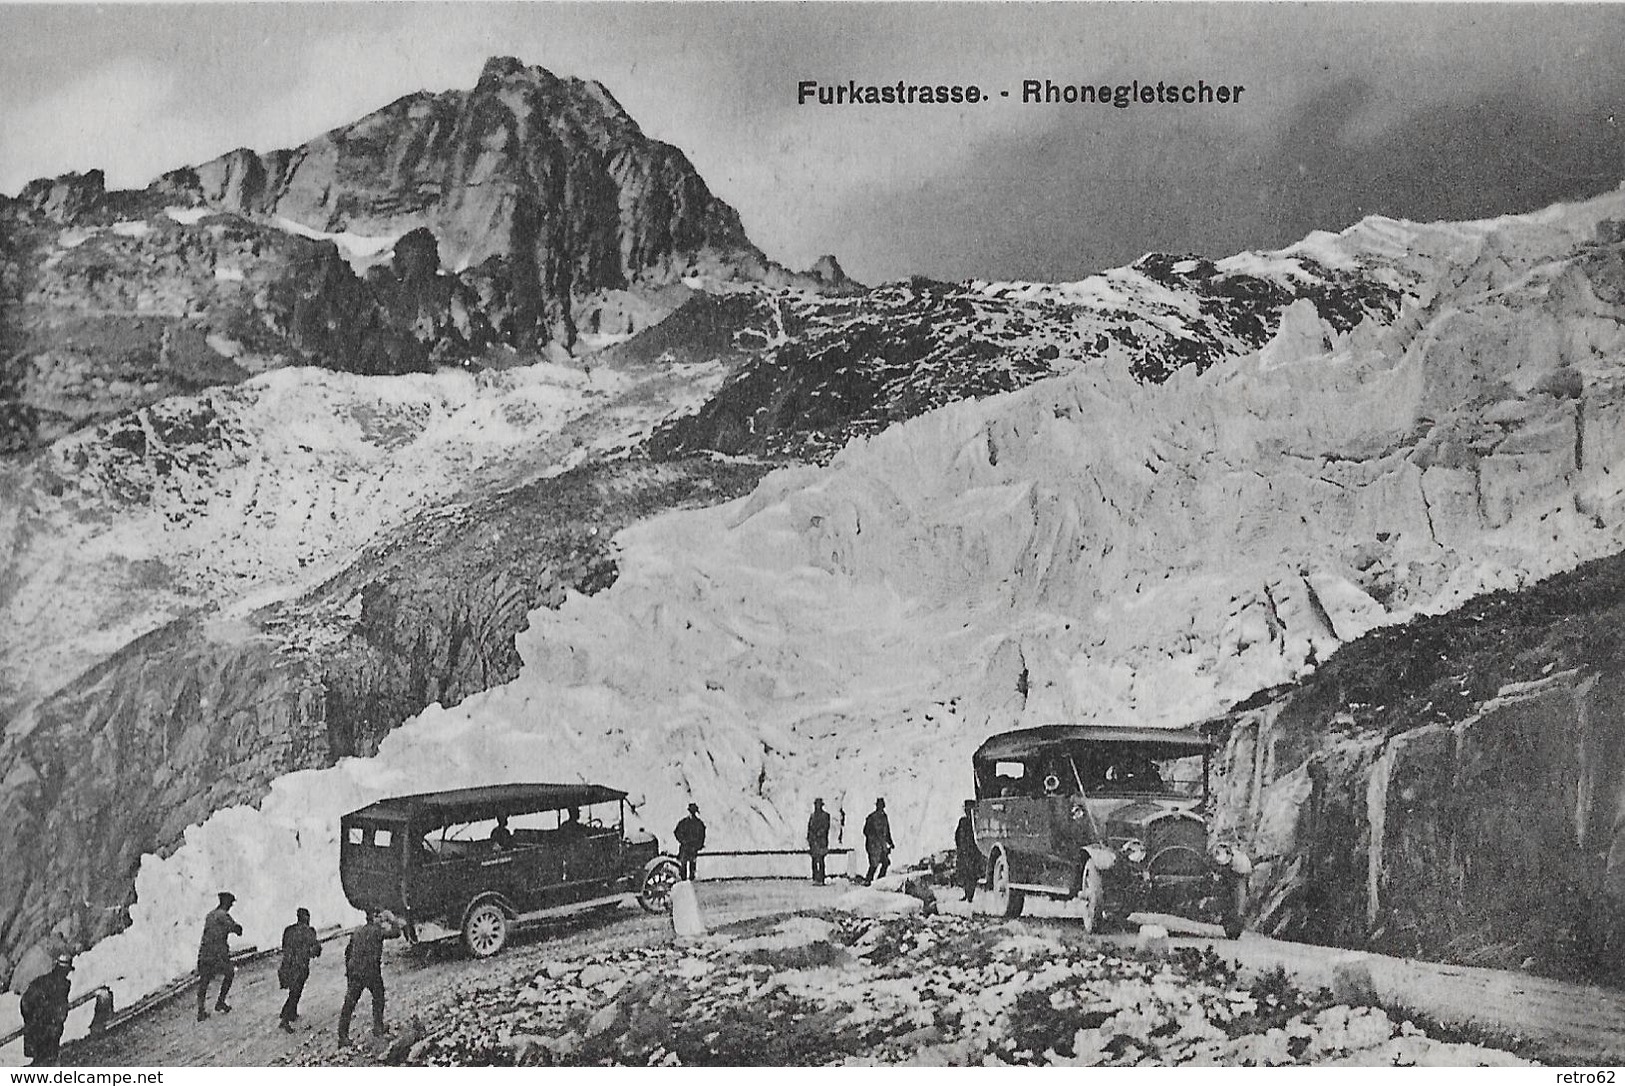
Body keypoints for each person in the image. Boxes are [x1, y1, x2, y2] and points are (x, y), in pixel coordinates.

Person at [338, 910, 401, 1045]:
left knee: (349, 1004)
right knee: (378, 997)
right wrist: (392, 919)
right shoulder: (377, 931)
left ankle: (342, 1036)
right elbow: (396, 933)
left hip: (355, 972)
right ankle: (378, 1028)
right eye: (379, 917)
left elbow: (347, 952)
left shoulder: (358, 931)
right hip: (371, 972)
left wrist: (349, 972)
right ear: (374, 918)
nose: (381, 919)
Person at [20, 953, 72, 1066]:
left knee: (40, 1062)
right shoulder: (62, 985)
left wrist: (30, 1021)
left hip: (36, 1031)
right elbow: (61, 1011)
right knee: (48, 1062)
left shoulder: (41, 981)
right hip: (47, 1033)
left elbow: (25, 1002)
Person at [196, 891, 242, 1021]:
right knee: (229, 973)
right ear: (226, 903)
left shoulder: (210, 915)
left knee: (204, 981)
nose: (231, 906)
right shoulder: (223, 916)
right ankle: (220, 1002)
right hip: (218, 954)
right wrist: (236, 928)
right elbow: (237, 930)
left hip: (205, 953)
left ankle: (201, 1011)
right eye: (231, 903)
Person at [277, 907, 322, 1033]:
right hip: (300, 966)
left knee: (294, 990)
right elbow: (315, 951)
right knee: (296, 992)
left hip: (286, 966)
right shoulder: (309, 931)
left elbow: (284, 947)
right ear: (306, 917)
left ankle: (292, 1013)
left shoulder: (288, 930)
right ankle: (285, 1019)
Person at [863, 798, 894, 885]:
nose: (881, 808)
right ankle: (868, 880)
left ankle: (880, 881)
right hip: (873, 846)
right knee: (874, 864)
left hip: (882, 846)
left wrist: (890, 842)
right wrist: (873, 838)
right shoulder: (871, 818)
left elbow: (887, 831)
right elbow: (866, 831)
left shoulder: (884, 817)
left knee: (886, 862)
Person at [955, 800, 981, 902]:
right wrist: (960, 848)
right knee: (965, 873)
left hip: (971, 853)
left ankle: (970, 896)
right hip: (964, 852)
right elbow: (957, 835)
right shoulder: (963, 821)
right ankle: (966, 894)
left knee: (971, 874)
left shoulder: (975, 821)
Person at [674, 803, 706, 881]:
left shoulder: (699, 824)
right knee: (684, 864)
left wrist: (698, 845)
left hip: (692, 848)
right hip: (686, 847)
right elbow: (677, 832)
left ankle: (691, 878)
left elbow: (702, 836)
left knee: (692, 864)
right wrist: (683, 841)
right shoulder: (684, 822)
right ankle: (684, 878)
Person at [806, 798, 832, 884]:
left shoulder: (825, 816)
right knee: (814, 860)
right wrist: (810, 838)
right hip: (813, 841)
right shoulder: (812, 816)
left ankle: (821, 878)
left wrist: (818, 834)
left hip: (821, 841)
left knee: (821, 860)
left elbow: (825, 828)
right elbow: (809, 828)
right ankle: (815, 877)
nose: (817, 807)